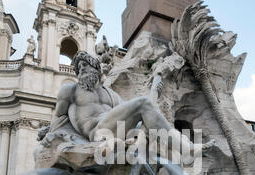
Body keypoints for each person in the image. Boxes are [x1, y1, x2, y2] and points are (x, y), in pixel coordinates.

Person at [50, 51, 214, 164]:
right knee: (143, 103)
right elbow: (58, 118)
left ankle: (182, 148)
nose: (81, 69)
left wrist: (154, 91)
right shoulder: (70, 89)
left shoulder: (109, 93)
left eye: (85, 65)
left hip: (118, 130)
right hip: (98, 133)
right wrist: (51, 138)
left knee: (145, 110)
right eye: (79, 67)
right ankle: (185, 148)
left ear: (96, 69)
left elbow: (135, 113)